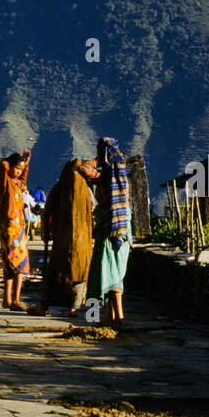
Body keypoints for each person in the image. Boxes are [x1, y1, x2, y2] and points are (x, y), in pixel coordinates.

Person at [32, 158, 96, 316]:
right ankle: (73, 308)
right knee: (78, 274)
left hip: (62, 241)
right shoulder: (86, 191)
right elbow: (94, 209)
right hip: (81, 242)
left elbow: (47, 213)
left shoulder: (58, 188)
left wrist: (45, 233)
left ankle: (44, 306)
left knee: (55, 273)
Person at [87, 136, 132, 328]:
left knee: (105, 272)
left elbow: (82, 168)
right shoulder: (121, 176)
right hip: (123, 229)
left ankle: (100, 316)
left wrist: (98, 159)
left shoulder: (106, 175)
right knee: (116, 273)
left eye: (99, 150)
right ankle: (112, 316)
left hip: (109, 229)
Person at [0, 149, 32, 311]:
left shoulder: (17, 183)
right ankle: (13, 299)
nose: (18, 172)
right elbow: (3, 165)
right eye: (16, 168)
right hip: (9, 227)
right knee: (13, 262)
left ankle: (9, 299)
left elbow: (23, 178)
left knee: (18, 264)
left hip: (19, 228)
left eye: (20, 170)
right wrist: (9, 163)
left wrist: (26, 164)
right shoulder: (3, 181)